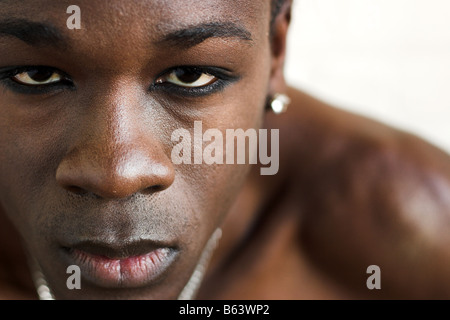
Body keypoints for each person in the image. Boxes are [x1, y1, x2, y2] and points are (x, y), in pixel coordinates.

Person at [0, 0, 449, 300]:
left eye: (190, 75)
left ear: (276, 50)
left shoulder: (410, 231)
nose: (118, 174)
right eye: (36, 75)